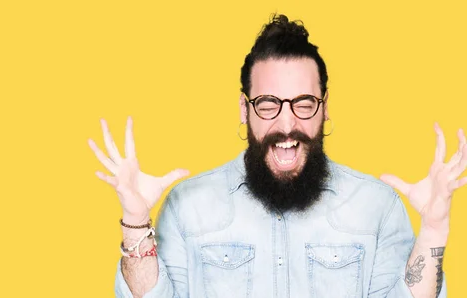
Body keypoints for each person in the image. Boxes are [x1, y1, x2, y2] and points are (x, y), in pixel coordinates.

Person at [88, 14, 467, 298]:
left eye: (303, 103)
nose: (287, 124)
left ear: (324, 107)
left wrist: (433, 231)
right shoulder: (188, 207)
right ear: (245, 108)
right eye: (269, 103)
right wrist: (136, 221)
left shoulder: (378, 207)